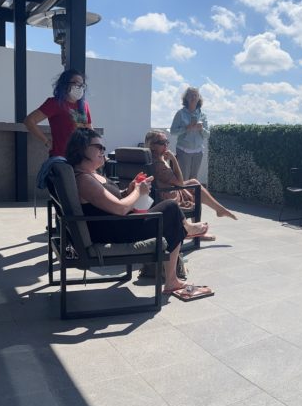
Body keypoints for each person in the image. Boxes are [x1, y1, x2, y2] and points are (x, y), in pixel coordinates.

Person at [65, 128, 207, 296]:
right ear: (81, 148)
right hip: (114, 229)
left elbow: (114, 200)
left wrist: (129, 190)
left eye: (104, 147)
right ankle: (182, 245)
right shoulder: (84, 180)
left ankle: (184, 234)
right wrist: (138, 192)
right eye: (98, 147)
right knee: (171, 208)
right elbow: (120, 208)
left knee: (172, 214)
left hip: (116, 223)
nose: (103, 151)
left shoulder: (91, 174)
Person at [145, 130, 237, 223]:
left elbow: (172, 182)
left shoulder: (154, 158)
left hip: (166, 192)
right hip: (168, 197)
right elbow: (180, 183)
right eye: (161, 143)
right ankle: (212, 217)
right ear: (152, 145)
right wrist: (174, 160)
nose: (166, 145)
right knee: (196, 189)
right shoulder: (159, 164)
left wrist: (184, 190)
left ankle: (217, 212)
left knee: (194, 184)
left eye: (166, 142)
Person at [25, 70, 92, 157]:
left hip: (81, 159)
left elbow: (88, 129)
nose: (79, 87)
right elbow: (29, 121)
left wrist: (98, 149)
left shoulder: (83, 105)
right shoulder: (55, 103)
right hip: (61, 158)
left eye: (82, 85)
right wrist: (46, 141)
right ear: (65, 84)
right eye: (76, 83)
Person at [170, 87, 209, 181]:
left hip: (198, 152)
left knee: (194, 180)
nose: (193, 97)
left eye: (195, 95)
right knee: (183, 179)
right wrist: (186, 128)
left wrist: (201, 129)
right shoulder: (180, 113)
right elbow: (173, 131)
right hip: (183, 151)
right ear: (186, 98)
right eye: (190, 95)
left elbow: (207, 135)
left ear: (199, 98)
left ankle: (191, 196)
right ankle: (183, 196)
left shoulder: (203, 115)